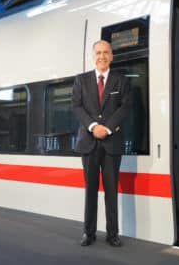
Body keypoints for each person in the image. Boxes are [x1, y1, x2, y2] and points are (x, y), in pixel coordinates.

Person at [72, 40, 131, 247]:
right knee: (90, 190)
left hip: (111, 143)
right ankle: (88, 233)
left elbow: (125, 108)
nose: (102, 56)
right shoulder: (81, 80)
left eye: (106, 52)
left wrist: (105, 128)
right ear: (93, 56)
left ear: (112, 56)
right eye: (98, 53)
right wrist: (93, 126)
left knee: (111, 190)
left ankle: (112, 234)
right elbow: (77, 107)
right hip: (88, 143)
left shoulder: (121, 81)